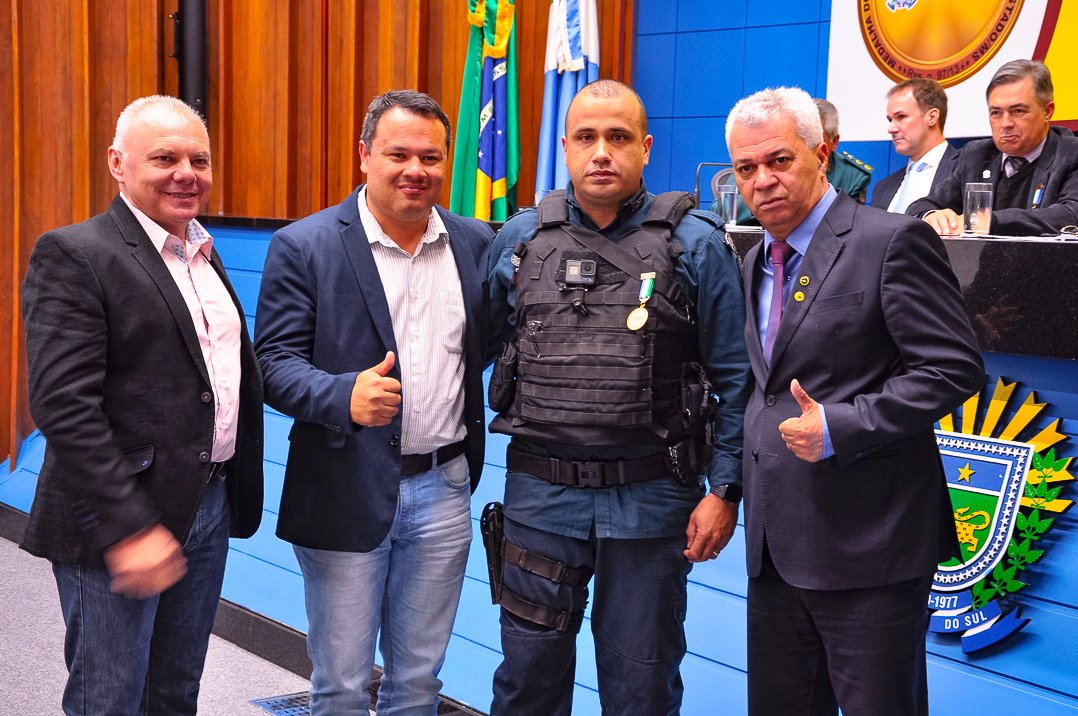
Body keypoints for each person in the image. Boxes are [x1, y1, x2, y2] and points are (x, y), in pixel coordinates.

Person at [485, 79, 751, 715]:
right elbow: (474, 348)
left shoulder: (697, 244)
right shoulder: (519, 240)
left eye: (618, 137)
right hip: (541, 501)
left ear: (645, 148)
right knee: (527, 682)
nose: (601, 152)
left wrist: (725, 491)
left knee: (641, 689)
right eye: (586, 137)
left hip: (652, 502)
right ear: (565, 147)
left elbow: (738, 380)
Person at [726, 86, 984, 715]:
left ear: (824, 154)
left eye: (779, 160)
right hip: (775, 547)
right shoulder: (755, 258)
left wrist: (842, 426)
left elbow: (952, 368)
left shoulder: (891, 240)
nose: (762, 181)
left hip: (870, 547)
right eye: (746, 168)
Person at [20, 95, 264, 715]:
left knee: (175, 693)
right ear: (117, 163)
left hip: (207, 504)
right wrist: (129, 525)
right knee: (109, 700)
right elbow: (63, 405)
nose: (187, 173)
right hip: (117, 519)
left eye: (199, 160)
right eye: (164, 158)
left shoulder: (202, 253)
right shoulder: (76, 253)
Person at [254, 90, 491, 715]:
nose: (416, 170)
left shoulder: (475, 244)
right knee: (342, 684)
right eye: (398, 154)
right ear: (364, 155)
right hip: (344, 485)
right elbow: (271, 366)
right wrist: (343, 395)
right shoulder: (305, 245)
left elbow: (486, 347)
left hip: (444, 488)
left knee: (419, 683)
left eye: (431, 157)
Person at [908, 59, 1078, 236]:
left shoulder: (1070, 154)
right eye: (996, 113)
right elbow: (921, 206)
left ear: (1047, 111)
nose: (1005, 123)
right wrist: (932, 216)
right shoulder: (976, 155)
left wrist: (988, 221)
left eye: (1018, 111)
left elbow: (1071, 215)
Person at [871, 78, 959, 212]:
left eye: (901, 117)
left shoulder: (965, 172)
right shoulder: (882, 188)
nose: (891, 128)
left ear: (932, 117)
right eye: (890, 120)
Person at [815, 98, 873, 203]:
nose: (807, 145)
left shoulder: (854, 176)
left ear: (834, 142)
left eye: (816, 139)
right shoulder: (785, 164)